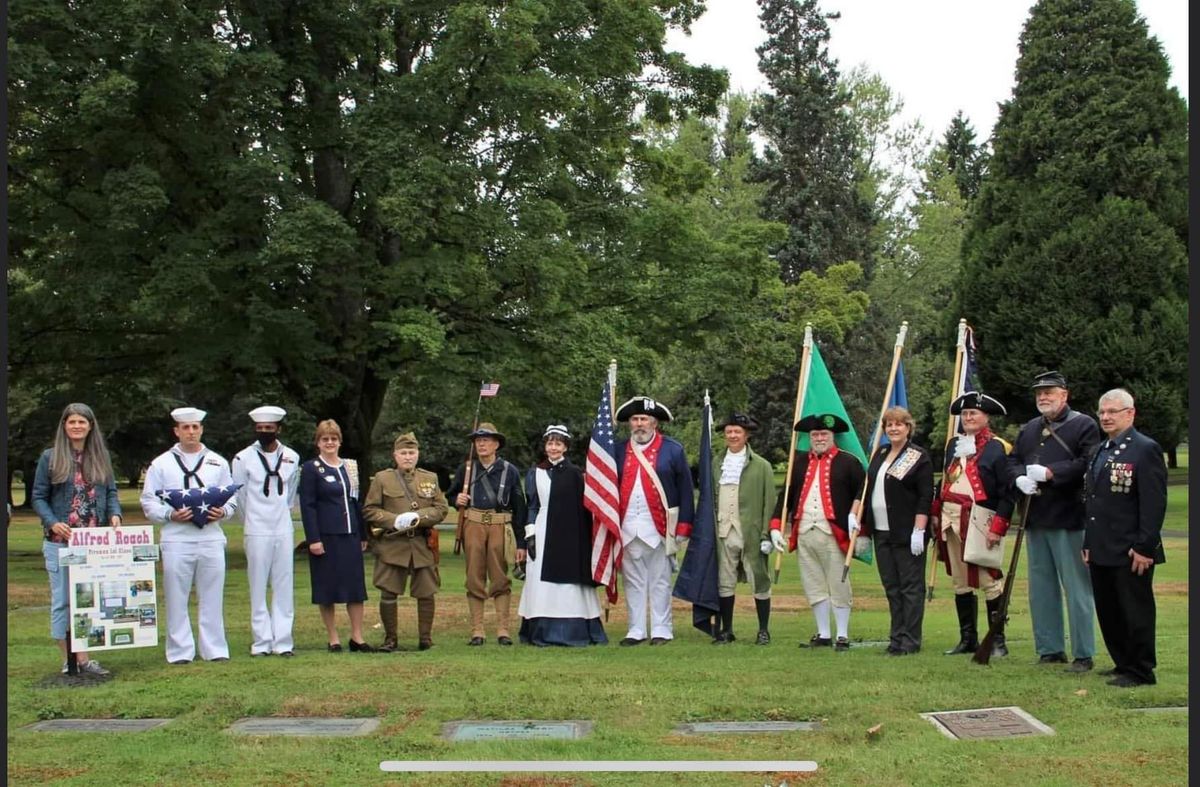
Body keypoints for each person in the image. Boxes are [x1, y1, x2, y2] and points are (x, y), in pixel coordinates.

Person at [1007, 370, 1101, 672]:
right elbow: (1013, 460)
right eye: (1039, 393)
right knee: (1041, 589)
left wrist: (1051, 473)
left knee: (1077, 589)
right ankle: (1050, 649)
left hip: (1069, 517)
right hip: (1035, 518)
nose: (1043, 397)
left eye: (1049, 392)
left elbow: (1089, 462)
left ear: (1064, 394)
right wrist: (1019, 477)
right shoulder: (1031, 428)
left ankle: (1083, 653)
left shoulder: (1084, 425)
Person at [1083, 389, 1166, 687]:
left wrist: (1145, 546)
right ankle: (1123, 662)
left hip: (1131, 548)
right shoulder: (1099, 450)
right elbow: (1093, 501)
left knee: (1135, 610)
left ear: (1130, 413)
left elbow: (1153, 503)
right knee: (1110, 610)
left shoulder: (1145, 449)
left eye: (1112, 412)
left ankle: (1141, 669)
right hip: (1102, 544)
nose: (1105, 417)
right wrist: (1088, 543)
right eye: (1102, 412)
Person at [140, 407, 237, 664]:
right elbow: (149, 501)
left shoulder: (218, 462)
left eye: (195, 427)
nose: (191, 432)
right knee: (176, 596)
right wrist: (169, 515)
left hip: (210, 537)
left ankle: (214, 649)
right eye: (186, 428)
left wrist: (223, 512)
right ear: (176, 431)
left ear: (202, 430)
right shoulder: (161, 463)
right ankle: (180, 651)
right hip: (176, 538)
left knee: (212, 595)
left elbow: (232, 497)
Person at [31, 403, 121, 676]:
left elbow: (112, 492)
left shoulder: (101, 456)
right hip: (61, 542)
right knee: (63, 601)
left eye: (82, 422)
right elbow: (37, 496)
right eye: (72, 422)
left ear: (90, 426)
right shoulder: (51, 457)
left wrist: (115, 514)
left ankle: (84, 657)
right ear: (64, 426)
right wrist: (53, 522)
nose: (77, 426)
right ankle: (70, 659)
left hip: (93, 543)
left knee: (89, 600)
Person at [769, 414, 866, 651]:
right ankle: (823, 633)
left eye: (824, 434)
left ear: (833, 436)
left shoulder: (849, 462)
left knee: (838, 583)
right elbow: (786, 498)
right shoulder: (799, 462)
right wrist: (774, 527)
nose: (819, 438)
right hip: (804, 532)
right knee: (813, 584)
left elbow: (863, 493)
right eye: (815, 435)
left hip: (833, 533)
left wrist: (859, 524)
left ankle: (842, 635)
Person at [930, 392, 1014, 657]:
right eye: (964, 414)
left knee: (989, 580)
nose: (968, 418)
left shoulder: (998, 447)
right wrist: (935, 512)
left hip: (980, 521)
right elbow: (944, 482)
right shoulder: (953, 444)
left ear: (986, 417)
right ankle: (968, 639)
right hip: (950, 518)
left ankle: (997, 640)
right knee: (959, 581)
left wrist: (997, 526)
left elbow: (1007, 491)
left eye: (973, 413)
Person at [614, 396, 694, 646]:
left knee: (660, 580)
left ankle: (662, 628)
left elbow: (685, 490)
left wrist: (683, 527)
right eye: (635, 419)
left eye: (644, 419)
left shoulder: (672, 449)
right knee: (633, 581)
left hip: (659, 527)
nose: (639, 424)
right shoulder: (617, 450)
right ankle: (635, 629)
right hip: (627, 526)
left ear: (654, 423)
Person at [518, 425, 607, 646]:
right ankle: (541, 630)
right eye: (550, 443)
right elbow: (532, 505)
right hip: (543, 529)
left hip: (570, 531)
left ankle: (573, 631)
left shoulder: (576, 474)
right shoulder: (535, 473)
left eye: (558, 443)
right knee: (540, 581)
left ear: (565, 447)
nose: (553, 447)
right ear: (545, 446)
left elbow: (585, 508)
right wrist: (530, 534)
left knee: (570, 583)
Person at [362, 431, 449, 651]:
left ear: (417, 454)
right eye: (403, 453)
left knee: (426, 592)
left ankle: (425, 639)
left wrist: (418, 517)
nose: (408, 457)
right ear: (395, 455)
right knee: (388, 592)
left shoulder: (429, 478)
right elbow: (370, 510)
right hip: (393, 544)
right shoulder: (383, 478)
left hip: (421, 544)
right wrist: (395, 520)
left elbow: (441, 508)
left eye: (411, 452)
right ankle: (390, 639)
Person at [859, 407, 934, 655]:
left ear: (908, 427)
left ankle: (910, 640)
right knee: (891, 586)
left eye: (898, 424)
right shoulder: (879, 454)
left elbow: (925, 496)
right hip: (881, 531)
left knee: (910, 588)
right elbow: (868, 487)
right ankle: (896, 637)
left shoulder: (917, 456)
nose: (893, 428)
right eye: (889, 424)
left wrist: (918, 530)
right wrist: (857, 517)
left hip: (907, 532)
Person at [448, 422, 526, 645]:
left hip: (500, 525)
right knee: (474, 576)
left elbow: (519, 507)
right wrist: (457, 500)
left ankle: (503, 630)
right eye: (478, 440)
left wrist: (521, 542)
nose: (481, 444)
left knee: (500, 577)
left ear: (496, 444)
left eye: (486, 440)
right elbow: (451, 496)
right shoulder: (467, 469)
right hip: (472, 524)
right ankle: (477, 630)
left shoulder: (509, 470)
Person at [231, 405, 301, 657]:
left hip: (282, 527)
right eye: (260, 429)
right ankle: (261, 642)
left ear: (278, 429)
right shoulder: (242, 458)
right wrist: (252, 520)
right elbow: (239, 495)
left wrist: (281, 514)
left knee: (284, 585)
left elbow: (291, 494)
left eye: (269, 429)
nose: (264, 432)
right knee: (258, 586)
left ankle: (283, 642)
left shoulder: (292, 456)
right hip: (256, 528)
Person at [298, 419, 371, 652]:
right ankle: (333, 638)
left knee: (355, 588)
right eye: (325, 439)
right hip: (326, 536)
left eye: (333, 439)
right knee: (327, 589)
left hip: (350, 534)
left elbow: (355, 501)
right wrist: (313, 539)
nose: (330, 443)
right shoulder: (311, 468)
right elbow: (307, 506)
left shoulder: (349, 466)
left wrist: (363, 534)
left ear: (340, 442)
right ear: (318, 442)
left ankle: (357, 637)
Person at [710, 412, 779, 645]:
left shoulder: (762, 466)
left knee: (758, 579)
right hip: (723, 531)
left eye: (737, 432)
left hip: (750, 532)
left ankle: (763, 630)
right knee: (724, 580)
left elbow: (769, 503)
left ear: (746, 435)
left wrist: (767, 533)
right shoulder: (716, 463)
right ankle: (727, 629)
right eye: (729, 432)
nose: (732, 435)